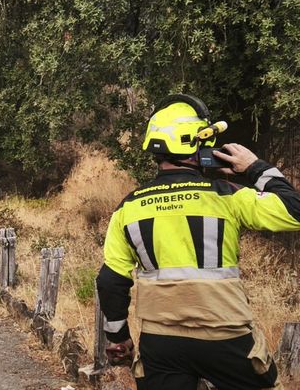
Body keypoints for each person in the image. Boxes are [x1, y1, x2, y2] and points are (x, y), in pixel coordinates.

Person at [96, 94, 300, 390]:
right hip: (227, 337)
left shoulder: (128, 207)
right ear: (195, 145)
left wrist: (118, 338)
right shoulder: (227, 194)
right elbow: (295, 212)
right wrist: (255, 168)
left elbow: (110, 281)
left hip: (161, 344)